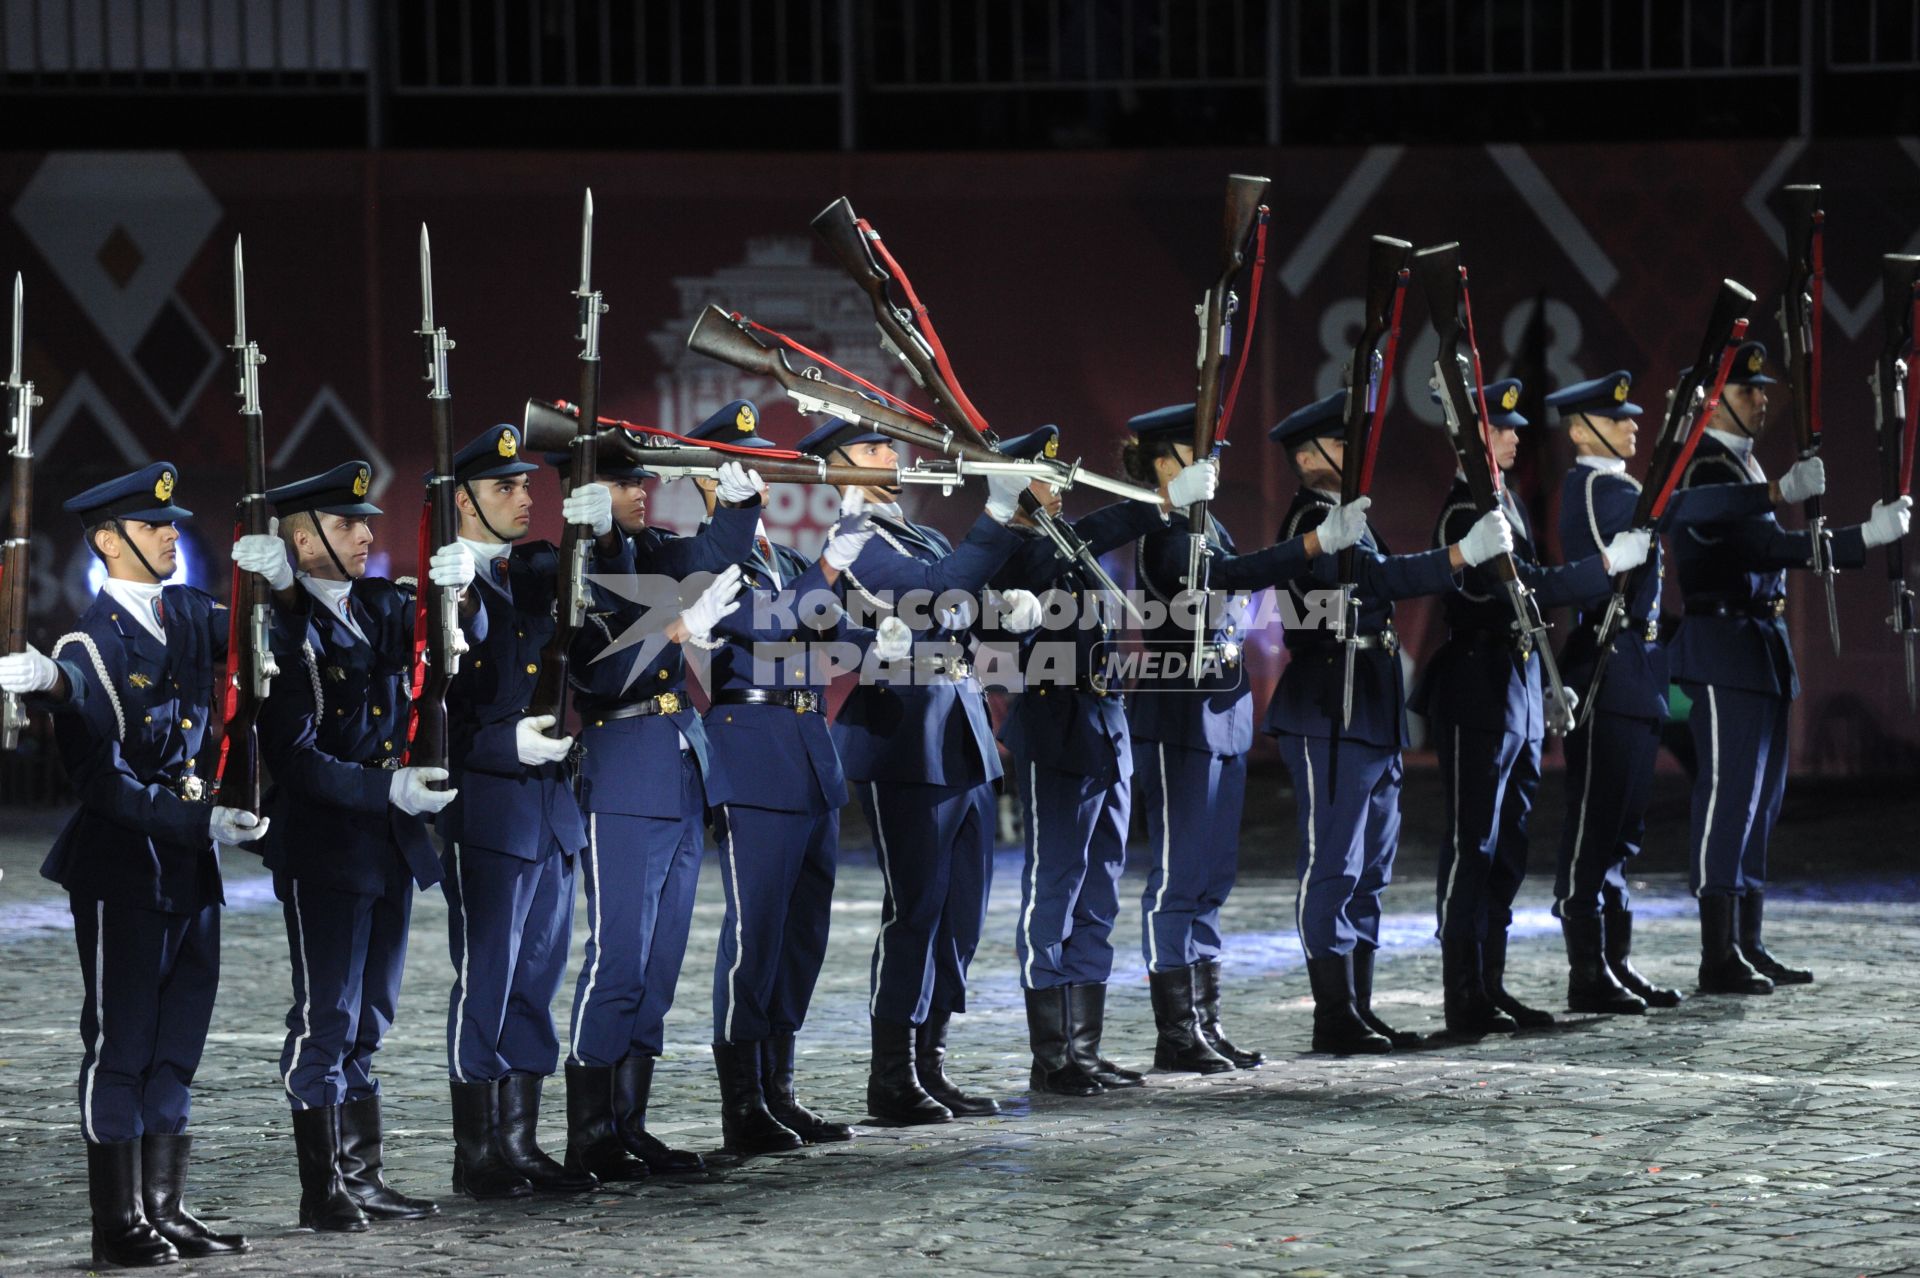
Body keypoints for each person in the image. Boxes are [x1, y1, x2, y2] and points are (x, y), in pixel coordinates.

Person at [0, 462, 268, 1268]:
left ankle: (165, 1206)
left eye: (172, 526)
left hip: (189, 862)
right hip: (124, 866)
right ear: (109, 541)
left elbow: (265, 636)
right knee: (122, 1042)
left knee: (179, 1038)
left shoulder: (187, 613)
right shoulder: (91, 638)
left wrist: (279, 582)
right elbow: (89, 732)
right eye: (154, 528)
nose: (170, 537)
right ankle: (118, 1221)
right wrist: (48, 681)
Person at [230, 460, 469, 1230]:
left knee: (372, 1013)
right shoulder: (283, 627)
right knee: (326, 1016)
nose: (366, 534)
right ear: (299, 540)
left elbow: (452, 643)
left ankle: (361, 1176)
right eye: (344, 525)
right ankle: (322, 1185)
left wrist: (462, 584)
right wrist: (382, 787)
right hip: (327, 841)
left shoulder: (379, 608)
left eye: (366, 521)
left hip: (386, 840)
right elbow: (294, 757)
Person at [553, 405, 766, 1181]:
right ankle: (590, 1133)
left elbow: (711, 550)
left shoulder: (651, 550)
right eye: (619, 480)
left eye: (641, 477)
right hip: (625, 761)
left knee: (661, 962)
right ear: (581, 491)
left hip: (678, 761)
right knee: (618, 956)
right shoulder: (566, 566)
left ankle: (629, 1122)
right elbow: (598, 670)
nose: (639, 489)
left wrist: (739, 504)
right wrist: (673, 629)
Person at [1122, 402, 1368, 1072]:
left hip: (1223, 713)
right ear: (1167, 460)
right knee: (1177, 878)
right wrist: (1314, 544)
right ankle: (1176, 1033)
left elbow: (1237, 582)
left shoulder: (1211, 524)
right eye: (1201, 451)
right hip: (1179, 714)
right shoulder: (1160, 527)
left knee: (1211, 878)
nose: (1217, 463)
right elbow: (1224, 579)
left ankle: (1205, 1020)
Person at [798, 413, 1030, 1124]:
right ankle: (891, 1076)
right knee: (916, 909)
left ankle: (930, 1062)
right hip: (906, 736)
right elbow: (931, 592)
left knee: (960, 911)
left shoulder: (919, 532)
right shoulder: (856, 542)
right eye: (870, 447)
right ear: (834, 466)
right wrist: (995, 515)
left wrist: (999, 613)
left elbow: (953, 602)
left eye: (887, 445)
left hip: (958, 729)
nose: (889, 456)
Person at [1264, 392, 1505, 1053]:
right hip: (1329, 701)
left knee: (1370, 866)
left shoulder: (1346, 517)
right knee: (1335, 865)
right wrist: (1458, 557)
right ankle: (1333, 1013)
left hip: (1367, 701)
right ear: (1309, 457)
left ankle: (1359, 1006)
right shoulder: (1311, 519)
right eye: (1341, 446)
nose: (1354, 455)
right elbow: (1381, 581)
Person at [1668, 341, 1911, 993]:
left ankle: (1746, 941)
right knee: (1726, 800)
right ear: (1715, 401)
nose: (1763, 398)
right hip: (1722, 646)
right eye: (1749, 390)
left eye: (1764, 388)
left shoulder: (1739, 463)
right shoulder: (1703, 468)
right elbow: (1763, 543)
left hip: (1758, 646)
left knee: (1761, 803)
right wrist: (1861, 538)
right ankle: (1718, 952)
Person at [1415, 378, 1647, 1037]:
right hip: (1475, 685)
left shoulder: (1505, 503)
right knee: (1472, 844)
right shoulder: (1467, 510)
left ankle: (1490, 983)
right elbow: (1523, 589)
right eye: (1502, 428)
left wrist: (1545, 679)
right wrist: (1606, 565)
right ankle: (1464, 994)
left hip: (1512, 687)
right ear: (1470, 436)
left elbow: (1530, 602)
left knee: (1506, 848)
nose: (1515, 436)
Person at [436, 422, 629, 1198]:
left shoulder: (537, 570)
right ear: (461, 502)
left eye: (526, 487)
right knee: (486, 980)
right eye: (501, 488)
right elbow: (432, 714)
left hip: (549, 808)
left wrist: (604, 532)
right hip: (485, 807)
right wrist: (500, 742)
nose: (523, 498)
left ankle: (519, 1142)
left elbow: (607, 596)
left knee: (537, 981)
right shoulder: (440, 585)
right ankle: (475, 1149)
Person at [693, 408, 890, 1154]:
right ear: (711, 480)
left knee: (800, 937)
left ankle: (779, 1089)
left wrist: (891, 639)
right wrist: (831, 568)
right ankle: (742, 1103)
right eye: (738, 464)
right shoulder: (711, 555)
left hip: (807, 756)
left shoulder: (775, 554)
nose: (757, 476)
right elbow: (773, 626)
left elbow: (825, 634)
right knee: (756, 934)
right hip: (753, 754)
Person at [986, 424, 1166, 1095]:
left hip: (1102, 723)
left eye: (1062, 480)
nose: (1058, 491)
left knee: (1099, 890)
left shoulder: (1067, 542)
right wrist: (1156, 498)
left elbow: (1096, 533)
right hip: (1056, 728)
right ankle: (1052, 1054)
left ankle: (1084, 1049)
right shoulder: (1010, 549)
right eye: (1044, 479)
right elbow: (986, 595)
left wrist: (1162, 498)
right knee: (1054, 890)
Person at [1544, 372, 1685, 1014]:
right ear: (1580, 429)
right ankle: (1587, 971)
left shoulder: (1621, 486)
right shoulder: (1595, 486)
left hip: (1637, 668)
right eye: (1617, 416)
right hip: (1605, 665)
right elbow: (1662, 515)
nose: (1633, 424)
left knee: (1623, 830)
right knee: (1594, 827)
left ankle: (1614, 962)